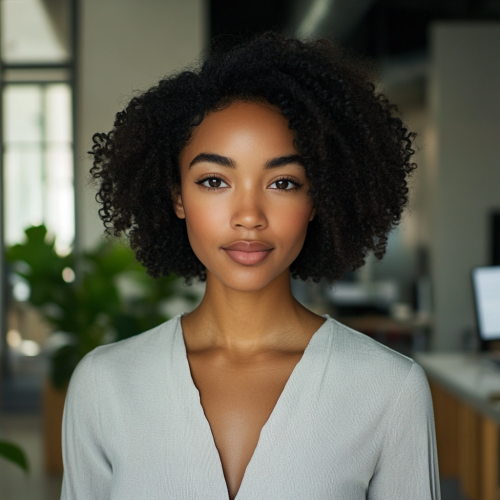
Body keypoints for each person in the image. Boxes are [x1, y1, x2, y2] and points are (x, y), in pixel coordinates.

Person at [61, 32, 440, 500]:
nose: (248, 215)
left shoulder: (389, 389)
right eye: (214, 180)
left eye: (282, 182)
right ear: (177, 196)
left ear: (318, 198)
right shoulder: (105, 386)